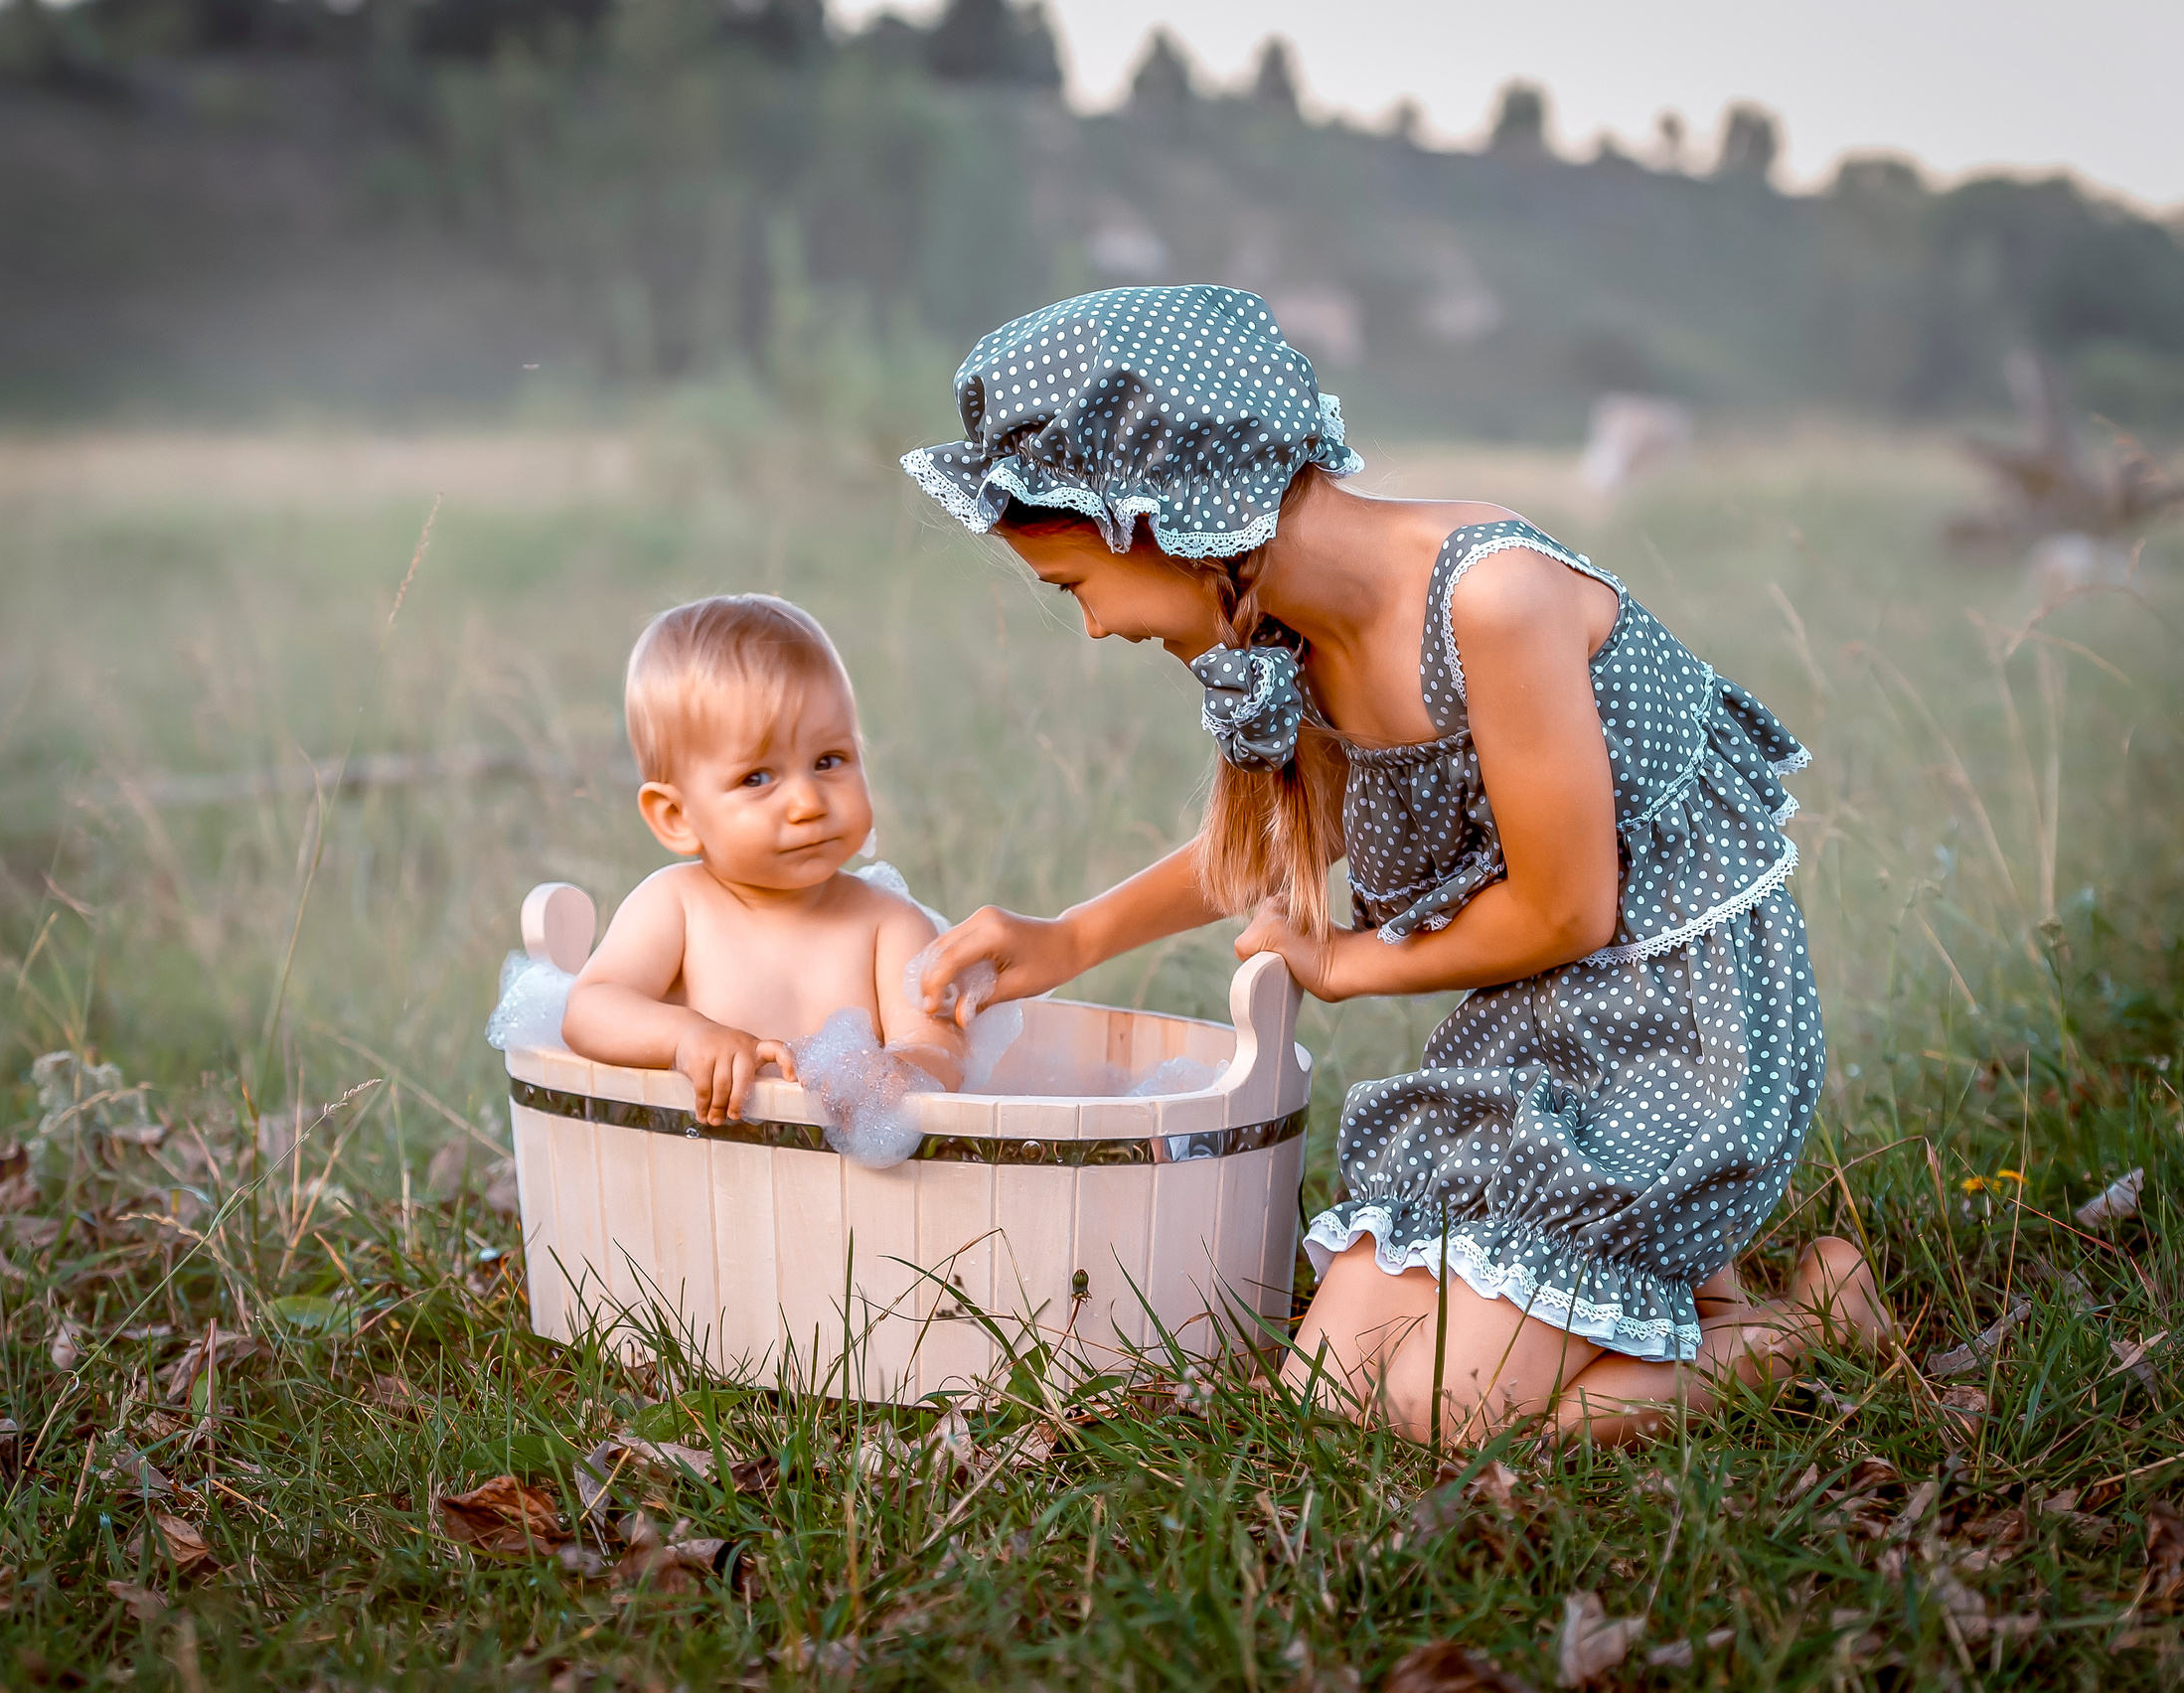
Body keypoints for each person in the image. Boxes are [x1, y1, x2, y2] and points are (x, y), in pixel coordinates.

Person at [902, 285, 1886, 1444]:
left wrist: (1351, 963)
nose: (1095, 628)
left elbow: (1569, 911)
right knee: (1329, 1394)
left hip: (1677, 1018)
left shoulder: (1490, 596)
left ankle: (1811, 1326)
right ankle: (1660, 1302)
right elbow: (1282, 837)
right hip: (1538, 1021)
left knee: (1451, 1416)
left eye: (1073, 588)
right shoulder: (1294, 632)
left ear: (1157, 520)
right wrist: (1067, 938)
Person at [561, 595, 971, 1127]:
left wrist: (898, 1073)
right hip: (705, 1173)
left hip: (852, 1194)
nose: (807, 804)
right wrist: (686, 1036)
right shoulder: (677, 906)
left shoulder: (889, 924)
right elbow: (589, 1009)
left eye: (829, 761)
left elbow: (938, 1049)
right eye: (757, 777)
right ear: (676, 816)